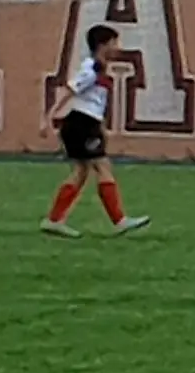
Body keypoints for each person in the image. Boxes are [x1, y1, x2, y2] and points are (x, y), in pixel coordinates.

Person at [41, 24, 151, 237]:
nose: (117, 48)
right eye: (114, 43)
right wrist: (49, 117)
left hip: (85, 123)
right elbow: (71, 90)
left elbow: (93, 100)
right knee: (102, 167)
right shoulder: (91, 68)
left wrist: (101, 127)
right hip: (81, 124)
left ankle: (54, 220)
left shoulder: (99, 68)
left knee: (81, 172)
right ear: (103, 45)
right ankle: (119, 220)